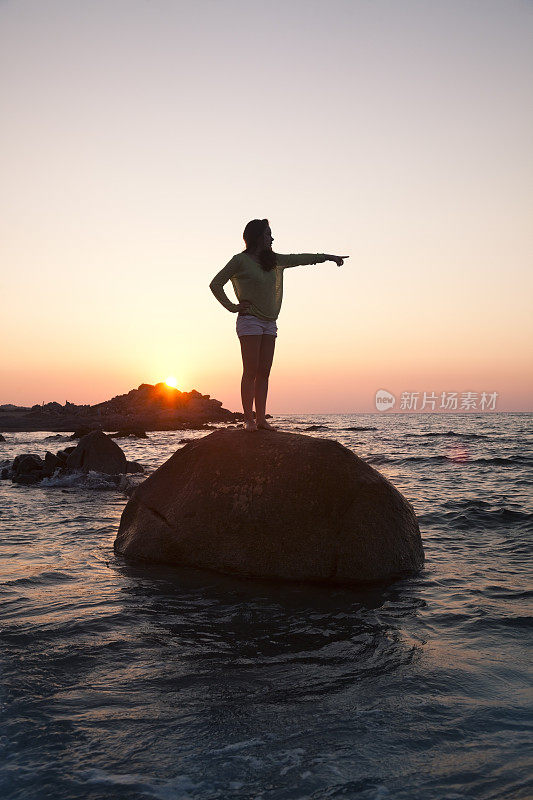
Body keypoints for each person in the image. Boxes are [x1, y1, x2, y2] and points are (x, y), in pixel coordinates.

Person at [209, 218, 348, 431]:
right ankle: (248, 420)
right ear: (256, 237)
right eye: (268, 234)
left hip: (269, 322)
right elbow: (216, 283)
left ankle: (261, 419)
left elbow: (301, 258)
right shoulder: (239, 261)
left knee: (264, 371)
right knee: (251, 371)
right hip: (250, 321)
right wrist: (233, 307)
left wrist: (328, 257)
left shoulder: (273, 261)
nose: (272, 238)